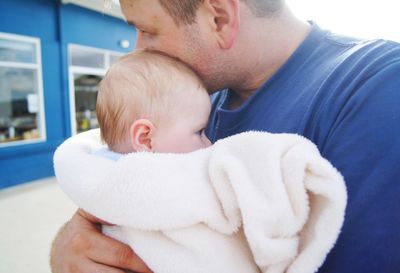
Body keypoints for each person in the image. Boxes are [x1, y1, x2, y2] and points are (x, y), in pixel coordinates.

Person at [50, 0, 400, 273]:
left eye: (147, 29)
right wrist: (70, 247)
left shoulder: (377, 89)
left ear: (218, 18)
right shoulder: (193, 100)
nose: (138, 48)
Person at [53, 49, 346, 273]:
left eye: (147, 28)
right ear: (145, 139)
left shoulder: (100, 167)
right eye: (199, 132)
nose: (211, 143)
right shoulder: (141, 180)